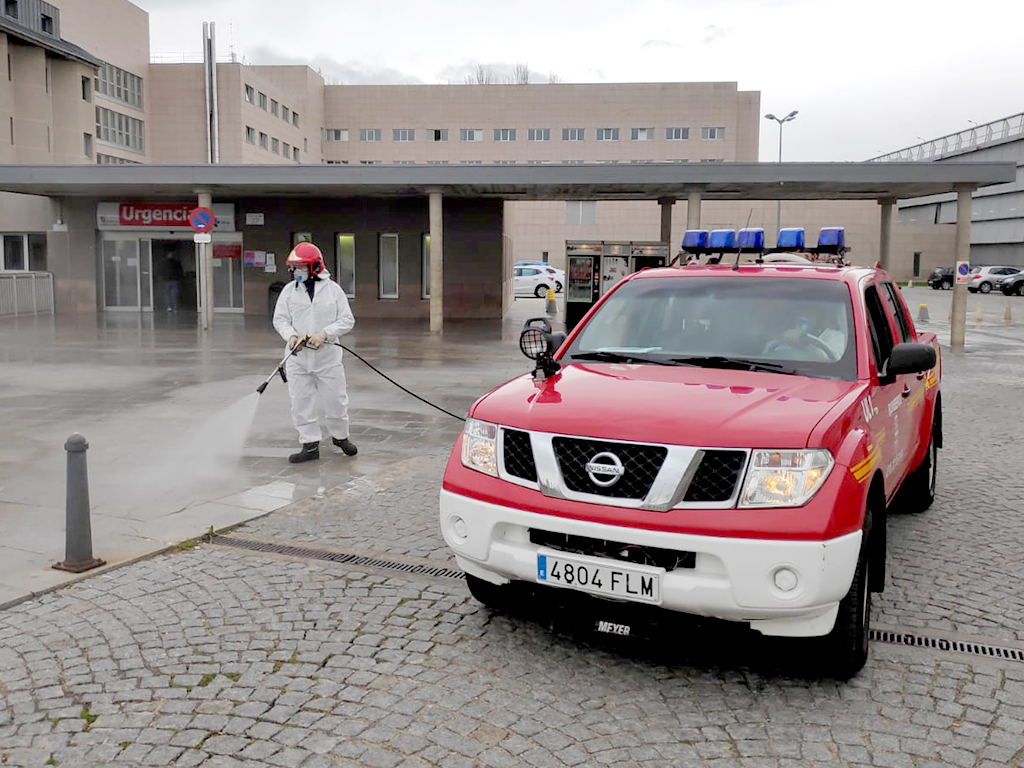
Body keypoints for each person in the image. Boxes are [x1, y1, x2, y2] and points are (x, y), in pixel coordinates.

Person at [272, 241, 358, 464]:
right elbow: (280, 319)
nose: (295, 273)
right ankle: (309, 445)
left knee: (336, 400)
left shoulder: (333, 290)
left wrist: (325, 334)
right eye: (293, 268)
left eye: (300, 268)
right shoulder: (289, 292)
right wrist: (290, 337)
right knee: (300, 401)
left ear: (315, 267)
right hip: (298, 359)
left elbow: (347, 320)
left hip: (327, 358)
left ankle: (340, 437)